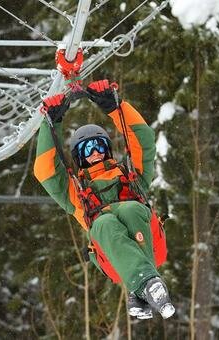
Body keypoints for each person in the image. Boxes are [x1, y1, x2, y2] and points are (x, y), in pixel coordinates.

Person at [33, 79, 175, 319]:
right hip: (112, 258)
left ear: (107, 149)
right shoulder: (76, 194)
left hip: (151, 244)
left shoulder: (132, 176)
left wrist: (114, 107)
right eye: (87, 150)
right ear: (79, 158)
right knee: (103, 223)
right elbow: (46, 172)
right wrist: (52, 125)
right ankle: (145, 287)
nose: (95, 153)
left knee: (130, 209)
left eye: (99, 145)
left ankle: (141, 286)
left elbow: (144, 142)